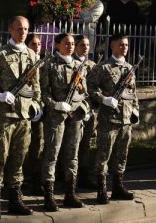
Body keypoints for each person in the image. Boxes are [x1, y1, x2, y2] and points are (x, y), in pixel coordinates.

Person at [0, 15, 42, 220]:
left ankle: (15, 199)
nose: (23, 32)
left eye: (25, 29)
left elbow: (36, 87)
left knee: (19, 158)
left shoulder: (33, 56)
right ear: (10, 29)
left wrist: (35, 105)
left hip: (24, 116)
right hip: (4, 115)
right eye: (19, 28)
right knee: (0, 157)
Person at [39, 33, 94, 210]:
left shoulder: (80, 66)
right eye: (66, 43)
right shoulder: (49, 65)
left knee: (73, 155)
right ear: (57, 45)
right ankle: (49, 196)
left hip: (76, 116)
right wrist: (55, 104)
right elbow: (43, 93)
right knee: (52, 154)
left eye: (72, 43)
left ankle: (70, 193)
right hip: (56, 116)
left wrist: (84, 108)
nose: (70, 46)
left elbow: (84, 93)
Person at [87, 33, 140, 205]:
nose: (124, 47)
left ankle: (118, 187)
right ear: (112, 45)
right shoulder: (103, 67)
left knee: (122, 155)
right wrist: (104, 99)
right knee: (104, 155)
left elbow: (133, 94)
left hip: (126, 120)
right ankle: (101, 190)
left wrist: (136, 112)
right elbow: (90, 88)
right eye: (120, 44)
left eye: (126, 45)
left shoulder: (130, 68)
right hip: (109, 119)